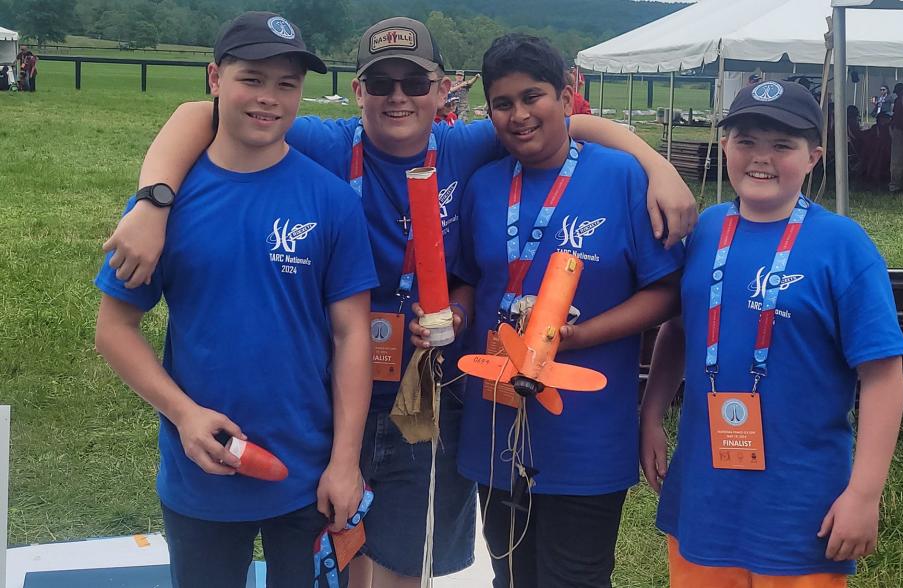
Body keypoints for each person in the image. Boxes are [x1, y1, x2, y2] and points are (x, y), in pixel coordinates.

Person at [99, 16, 698, 587]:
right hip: (334, 397)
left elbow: (563, 123)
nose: (398, 97)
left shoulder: (465, 148)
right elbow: (197, 115)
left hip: (433, 398)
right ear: (358, 90)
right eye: (381, 83)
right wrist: (153, 201)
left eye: (415, 82)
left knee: (406, 558)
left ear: (442, 91)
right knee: (343, 545)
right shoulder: (323, 142)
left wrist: (655, 165)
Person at [93, 12, 377, 587]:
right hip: (202, 473)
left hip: (309, 475)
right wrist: (184, 414)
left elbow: (352, 336)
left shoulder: (330, 200)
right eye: (252, 78)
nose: (269, 99)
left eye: (286, 84)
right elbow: (114, 329)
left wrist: (344, 461)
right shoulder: (161, 207)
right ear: (215, 78)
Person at [410, 34, 683, 588]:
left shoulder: (623, 177)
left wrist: (581, 336)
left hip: (588, 427)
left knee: (576, 577)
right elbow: (466, 279)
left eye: (532, 97)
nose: (519, 115)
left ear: (567, 95)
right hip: (496, 418)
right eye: (503, 104)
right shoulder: (484, 185)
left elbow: (667, 292)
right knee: (511, 574)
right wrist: (455, 318)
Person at [641, 81, 903, 587]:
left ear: (814, 156)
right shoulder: (704, 231)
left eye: (782, 145)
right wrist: (651, 416)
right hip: (705, 496)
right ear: (725, 147)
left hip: (801, 506)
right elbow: (677, 330)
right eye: (746, 141)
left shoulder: (842, 246)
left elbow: (882, 376)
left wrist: (864, 494)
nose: (761, 158)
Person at [888, 82, 903, 192]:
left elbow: (897, 117)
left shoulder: (901, 100)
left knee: (898, 160)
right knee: (902, 160)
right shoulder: (902, 100)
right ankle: (898, 184)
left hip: (901, 131)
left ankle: (896, 185)